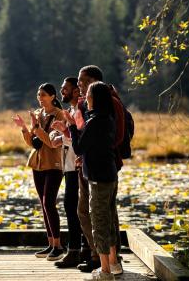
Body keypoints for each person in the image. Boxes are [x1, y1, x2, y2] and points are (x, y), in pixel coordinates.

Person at [71, 65, 125, 274]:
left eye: (84, 84)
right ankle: (112, 263)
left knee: (100, 220)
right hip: (107, 171)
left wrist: (74, 127)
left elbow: (80, 146)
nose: (80, 88)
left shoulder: (99, 117)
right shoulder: (106, 117)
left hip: (99, 173)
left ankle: (105, 269)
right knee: (107, 218)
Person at [12, 83, 66, 261]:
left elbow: (51, 142)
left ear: (52, 96)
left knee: (49, 202)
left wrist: (36, 127)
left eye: (43, 95)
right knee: (44, 205)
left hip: (54, 163)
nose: (40, 98)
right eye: (38, 95)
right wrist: (25, 128)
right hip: (38, 163)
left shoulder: (59, 115)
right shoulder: (39, 113)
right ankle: (51, 244)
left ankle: (58, 246)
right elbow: (33, 143)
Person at [50, 77, 89, 268]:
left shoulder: (80, 110)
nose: (61, 91)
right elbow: (72, 138)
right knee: (73, 209)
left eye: (65, 89)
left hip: (77, 167)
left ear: (76, 91)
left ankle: (77, 251)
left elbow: (80, 140)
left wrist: (64, 133)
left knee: (75, 210)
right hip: (70, 167)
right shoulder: (73, 111)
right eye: (61, 88)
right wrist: (61, 134)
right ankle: (80, 250)